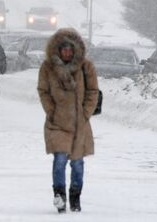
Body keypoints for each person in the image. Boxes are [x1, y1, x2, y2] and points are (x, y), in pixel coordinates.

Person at [36, 28, 99, 213]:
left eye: (70, 50)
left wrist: (85, 112)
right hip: (57, 123)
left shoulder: (86, 67)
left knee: (78, 164)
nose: (67, 53)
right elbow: (43, 91)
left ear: (75, 50)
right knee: (60, 160)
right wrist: (51, 111)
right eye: (63, 49)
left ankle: (75, 196)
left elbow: (93, 92)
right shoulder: (47, 68)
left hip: (80, 124)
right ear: (57, 49)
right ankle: (60, 196)